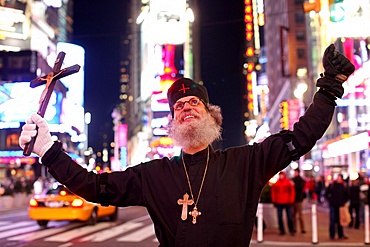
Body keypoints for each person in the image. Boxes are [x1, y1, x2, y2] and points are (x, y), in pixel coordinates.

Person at [19, 44, 355, 246]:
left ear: (212, 116)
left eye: (194, 102)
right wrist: (50, 151)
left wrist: (328, 89)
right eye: (179, 106)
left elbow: (301, 138)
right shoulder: (153, 174)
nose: (186, 107)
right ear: (172, 123)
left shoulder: (245, 162)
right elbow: (94, 187)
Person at [325, 174, 349, 239]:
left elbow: (347, 195)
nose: (338, 179)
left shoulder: (344, 186)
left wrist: (343, 202)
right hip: (333, 205)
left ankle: (340, 234)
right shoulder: (332, 185)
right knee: (332, 220)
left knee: (340, 220)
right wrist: (330, 200)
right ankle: (332, 234)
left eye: (339, 178)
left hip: (340, 206)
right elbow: (326, 194)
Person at [271, 171, 296, 235]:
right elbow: (273, 192)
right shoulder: (277, 183)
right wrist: (274, 201)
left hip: (287, 202)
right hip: (279, 202)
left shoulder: (288, 182)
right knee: (280, 217)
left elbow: (292, 192)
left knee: (289, 217)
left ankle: (291, 230)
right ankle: (282, 230)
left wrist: (291, 200)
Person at [291, 168, 306, 233]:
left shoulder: (301, 180)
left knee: (300, 215)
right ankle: (294, 228)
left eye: (296, 172)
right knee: (293, 215)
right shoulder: (292, 179)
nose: (295, 173)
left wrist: (294, 185)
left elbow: (300, 188)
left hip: (299, 199)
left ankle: (302, 228)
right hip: (293, 199)